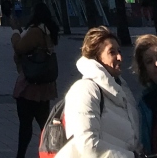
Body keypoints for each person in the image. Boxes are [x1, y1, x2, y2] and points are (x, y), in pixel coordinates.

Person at [57, 25, 140, 158]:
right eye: (112, 52)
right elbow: (87, 145)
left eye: (119, 51)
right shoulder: (85, 89)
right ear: (96, 58)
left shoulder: (121, 90)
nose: (120, 57)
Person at [11, 2, 60, 158]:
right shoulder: (48, 30)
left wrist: (15, 32)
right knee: (44, 122)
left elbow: (20, 47)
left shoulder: (36, 31)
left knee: (26, 124)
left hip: (31, 84)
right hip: (44, 84)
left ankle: (21, 155)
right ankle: (54, 152)